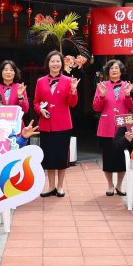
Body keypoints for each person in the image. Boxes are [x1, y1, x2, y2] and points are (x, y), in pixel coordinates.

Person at [34, 50, 79, 197]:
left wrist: (73, 90)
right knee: (48, 157)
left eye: (58, 61)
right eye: (52, 61)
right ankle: (50, 186)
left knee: (61, 157)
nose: (55, 64)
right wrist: (40, 110)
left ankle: (60, 186)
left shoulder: (68, 80)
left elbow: (72, 104)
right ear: (48, 63)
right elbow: (36, 102)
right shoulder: (40, 81)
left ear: (62, 63)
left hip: (63, 125)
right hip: (46, 125)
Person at [93, 60, 133, 196]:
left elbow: (132, 106)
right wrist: (102, 96)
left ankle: (120, 185)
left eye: (117, 68)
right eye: (111, 68)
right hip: (106, 126)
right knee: (108, 158)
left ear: (121, 71)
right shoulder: (102, 85)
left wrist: (128, 95)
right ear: (108, 71)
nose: (114, 70)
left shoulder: (127, 86)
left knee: (122, 158)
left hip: (123, 127)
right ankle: (110, 185)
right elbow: (96, 107)